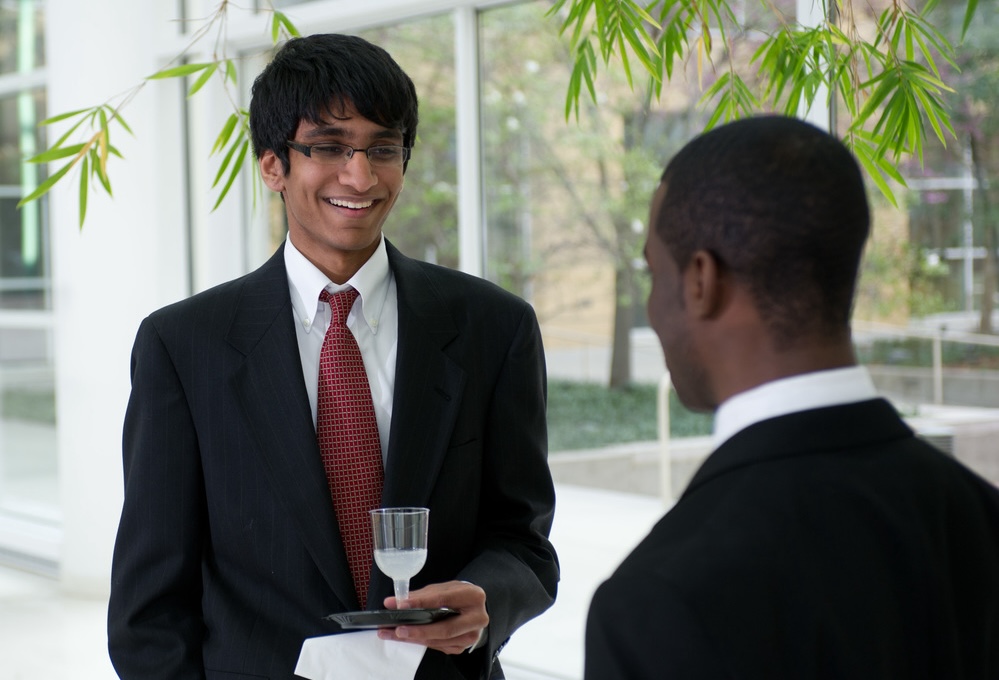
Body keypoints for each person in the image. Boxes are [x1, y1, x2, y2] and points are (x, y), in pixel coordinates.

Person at [107, 33, 558, 680]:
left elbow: (523, 542)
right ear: (272, 165)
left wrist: (487, 597)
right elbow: (149, 608)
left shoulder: (494, 327)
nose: (361, 175)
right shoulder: (184, 346)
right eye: (328, 147)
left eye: (383, 148)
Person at [584, 115, 999, 679]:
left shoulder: (658, 601)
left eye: (655, 274)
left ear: (701, 281)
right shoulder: (981, 518)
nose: (654, 308)